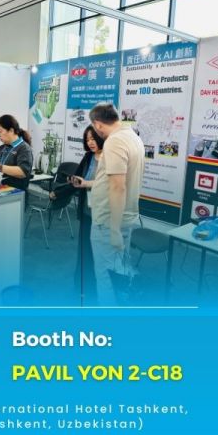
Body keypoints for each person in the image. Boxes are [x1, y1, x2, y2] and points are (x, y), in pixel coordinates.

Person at [87, 103, 145, 305]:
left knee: (105, 276)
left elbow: (118, 187)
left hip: (109, 221)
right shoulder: (133, 136)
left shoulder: (114, 141)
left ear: (97, 124)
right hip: (125, 217)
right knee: (118, 271)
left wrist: (114, 230)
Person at [49, 125, 104, 304]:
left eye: (93, 138)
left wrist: (87, 183)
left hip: (104, 214)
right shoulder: (88, 157)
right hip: (87, 212)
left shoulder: (111, 158)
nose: (90, 142)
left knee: (99, 255)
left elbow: (109, 186)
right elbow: (77, 181)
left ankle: (98, 293)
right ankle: (81, 289)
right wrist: (59, 192)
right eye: (87, 139)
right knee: (85, 252)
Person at [0, 114, 33, 192]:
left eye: (0, 131)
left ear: (11, 130)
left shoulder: (24, 148)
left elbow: (23, 172)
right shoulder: (2, 148)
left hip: (16, 193)